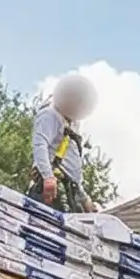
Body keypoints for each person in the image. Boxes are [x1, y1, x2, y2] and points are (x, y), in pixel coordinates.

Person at [29, 74, 97, 209]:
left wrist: (84, 198)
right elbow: (40, 144)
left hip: (69, 188)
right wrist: (48, 177)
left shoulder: (72, 123)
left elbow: (70, 165)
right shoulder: (50, 114)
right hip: (53, 185)